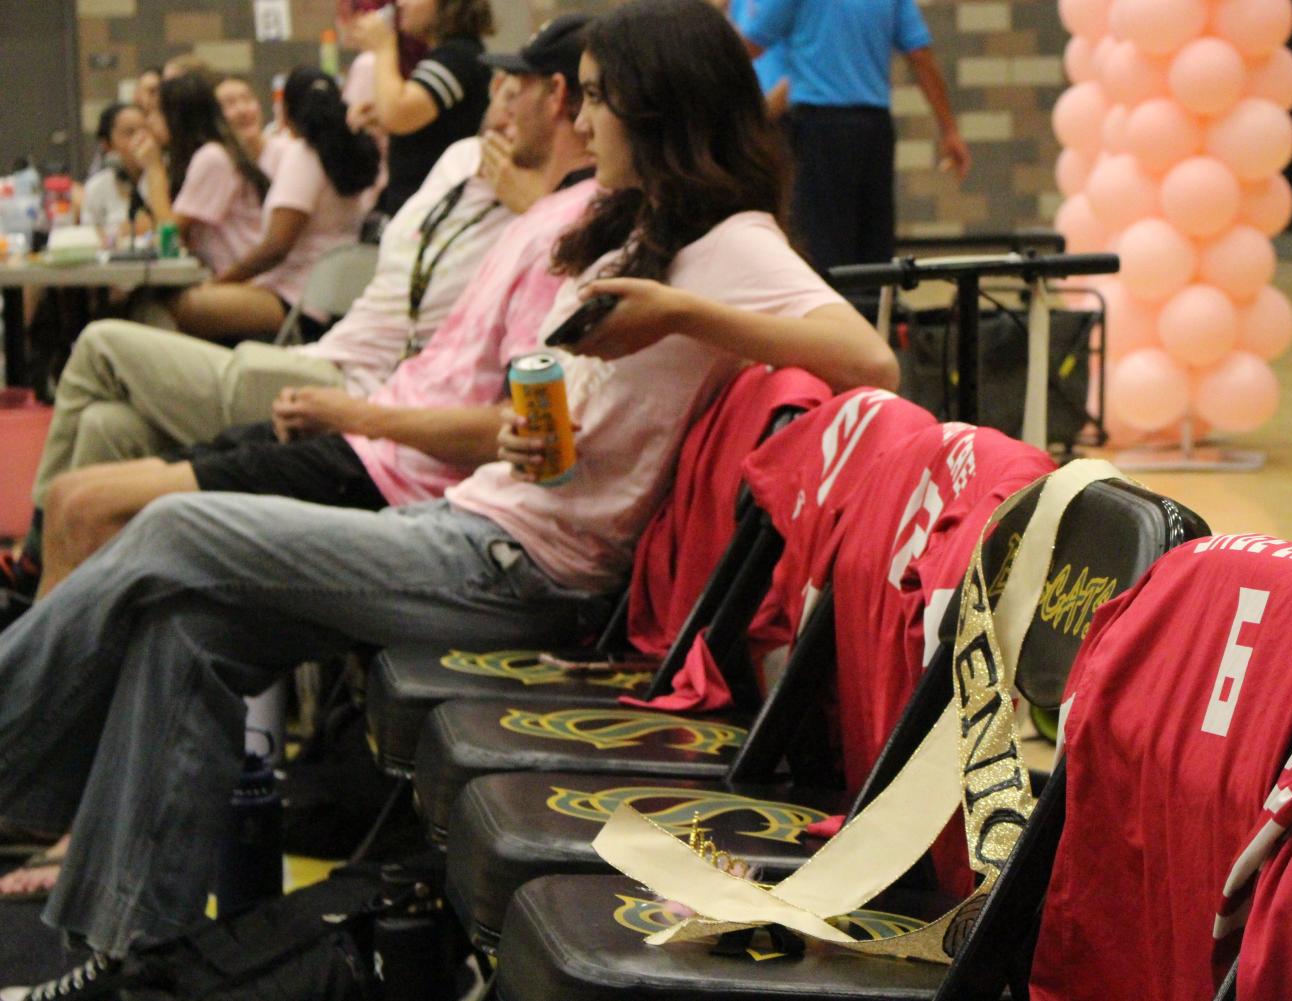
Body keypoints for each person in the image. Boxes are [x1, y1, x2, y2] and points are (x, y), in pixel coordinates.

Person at [0, 3, 894, 993]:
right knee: (187, 626)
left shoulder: (730, 243)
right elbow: (568, 439)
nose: (582, 119)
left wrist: (682, 309)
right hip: (477, 524)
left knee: (172, 527)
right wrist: (527, 434)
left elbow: (873, 357)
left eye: (596, 97)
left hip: (522, 573)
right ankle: (120, 956)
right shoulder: (630, 224)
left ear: (657, 104)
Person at [28, 22, 591, 600]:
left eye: (513, 86)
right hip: (344, 374)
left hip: (363, 406)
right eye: (496, 87)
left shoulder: (561, 224)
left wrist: (356, 414)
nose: (500, 102)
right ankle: (54, 598)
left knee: (105, 342)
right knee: (106, 426)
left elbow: (264, 243)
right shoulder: (461, 166)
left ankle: (35, 568)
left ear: (556, 99)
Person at [741, 0, 973, 275]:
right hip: (873, 129)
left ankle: (831, 314)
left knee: (821, 246)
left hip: (819, 128)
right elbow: (920, 55)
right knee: (873, 246)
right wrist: (949, 130)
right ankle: (873, 313)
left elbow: (750, 46)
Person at [155, 68, 382, 342]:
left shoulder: (303, 156)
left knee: (175, 307)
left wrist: (219, 283)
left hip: (298, 300)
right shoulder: (343, 152)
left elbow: (275, 248)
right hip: (326, 295)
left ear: (284, 112)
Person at [351, 0, 494, 214]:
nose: (400, 4)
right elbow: (425, 120)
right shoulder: (451, 54)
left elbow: (397, 114)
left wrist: (383, 47)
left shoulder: (456, 57)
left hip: (436, 219)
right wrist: (379, 114)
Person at [136, 72, 274, 279]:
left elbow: (169, 237)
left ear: (176, 117)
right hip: (231, 276)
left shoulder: (212, 157)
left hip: (247, 281)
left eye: (156, 113)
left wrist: (154, 170)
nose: (149, 123)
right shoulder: (207, 155)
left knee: (148, 303)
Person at [79, 105, 151, 249]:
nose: (140, 139)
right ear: (107, 144)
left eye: (146, 130)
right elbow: (89, 235)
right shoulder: (97, 186)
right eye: (130, 132)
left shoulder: (161, 180)